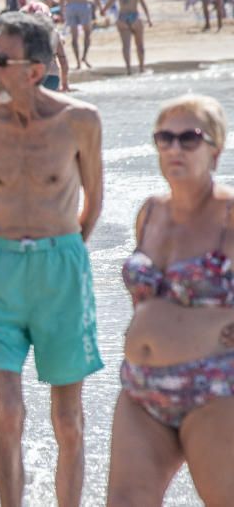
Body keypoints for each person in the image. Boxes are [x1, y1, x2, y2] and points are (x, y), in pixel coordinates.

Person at [0, 12, 104, 507]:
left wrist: (61, 251)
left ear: (35, 69)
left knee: (68, 421)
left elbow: (94, 201)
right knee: (9, 411)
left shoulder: (80, 120)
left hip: (61, 269)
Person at [107, 95, 234, 505]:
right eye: (165, 138)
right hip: (142, 390)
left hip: (213, 386)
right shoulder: (150, 212)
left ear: (215, 149)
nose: (174, 148)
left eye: (188, 138)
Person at [102, 0, 153, 75]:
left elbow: (110, 2)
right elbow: (143, 4)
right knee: (139, 45)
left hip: (122, 18)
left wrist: (103, 11)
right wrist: (148, 19)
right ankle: (141, 68)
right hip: (135, 17)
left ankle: (129, 69)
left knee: (126, 46)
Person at [59, 0, 103, 70]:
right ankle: (84, 57)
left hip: (70, 6)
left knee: (74, 36)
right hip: (82, 5)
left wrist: (61, 10)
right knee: (87, 33)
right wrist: (100, 6)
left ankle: (78, 62)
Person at [20, 1, 70, 92]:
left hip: (32, 77)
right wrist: (65, 83)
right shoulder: (55, 34)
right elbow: (63, 61)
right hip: (52, 77)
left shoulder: (25, 35)